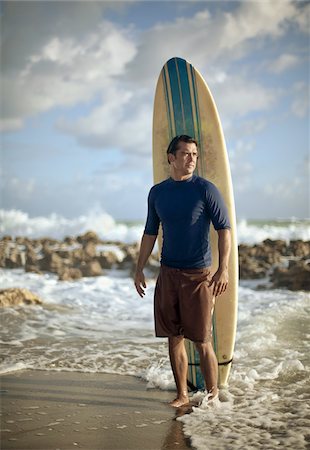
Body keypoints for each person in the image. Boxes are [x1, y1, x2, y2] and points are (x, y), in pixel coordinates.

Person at [134, 135, 231, 408]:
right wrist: (139, 268)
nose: (191, 159)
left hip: (198, 276)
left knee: (202, 339)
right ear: (171, 157)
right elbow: (150, 232)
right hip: (168, 274)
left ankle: (212, 396)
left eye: (195, 155)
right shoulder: (157, 193)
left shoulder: (205, 190)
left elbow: (224, 230)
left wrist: (223, 270)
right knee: (174, 337)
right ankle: (182, 394)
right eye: (186, 154)